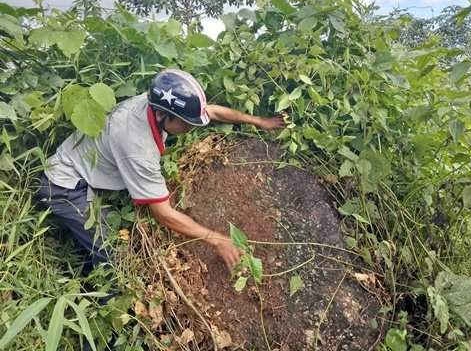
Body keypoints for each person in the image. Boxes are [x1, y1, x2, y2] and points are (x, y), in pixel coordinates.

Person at [36, 68, 285, 270]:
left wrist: (258, 121)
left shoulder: (157, 103)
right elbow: (163, 214)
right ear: (163, 117)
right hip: (65, 185)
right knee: (114, 256)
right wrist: (216, 239)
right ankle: (105, 313)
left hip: (88, 165)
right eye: (186, 125)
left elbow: (211, 112)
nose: (192, 128)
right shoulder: (137, 145)